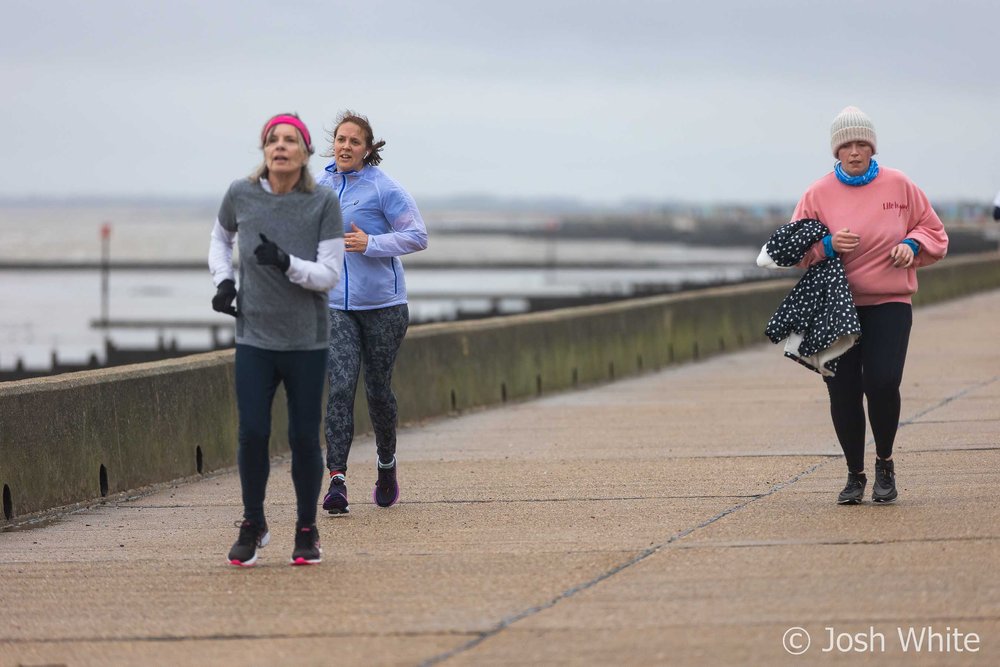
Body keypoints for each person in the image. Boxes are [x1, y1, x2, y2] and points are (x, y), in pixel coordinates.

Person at [791, 106, 948, 505]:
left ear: (873, 148)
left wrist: (911, 245)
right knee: (841, 391)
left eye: (862, 144)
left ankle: (884, 464)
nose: (855, 152)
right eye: (847, 145)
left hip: (890, 302)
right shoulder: (817, 193)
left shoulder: (900, 185)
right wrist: (826, 246)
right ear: (836, 151)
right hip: (835, 307)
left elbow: (933, 231)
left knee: (881, 382)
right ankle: (854, 475)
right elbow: (792, 250)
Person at [209, 113, 345, 565]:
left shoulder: (322, 202)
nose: (280, 146)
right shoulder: (240, 194)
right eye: (272, 140)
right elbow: (220, 236)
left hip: (306, 340)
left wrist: (287, 262)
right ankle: (253, 523)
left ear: (305, 153)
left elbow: (328, 276)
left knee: (304, 437)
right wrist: (224, 281)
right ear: (264, 150)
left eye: (290, 140)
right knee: (252, 433)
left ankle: (307, 531)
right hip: (254, 337)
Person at [316, 110, 428, 515]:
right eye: (341, 139)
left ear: (367, 150)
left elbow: (418, 236)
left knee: (378, 390)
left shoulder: (384, 188)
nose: (346, 146)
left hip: (384, 307)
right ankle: (337, 482)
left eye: (355, 142)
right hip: (335, 307)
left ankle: (386, 464)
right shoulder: (319, 186)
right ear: (334, 144)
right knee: (341, 386)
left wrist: (371, 243)